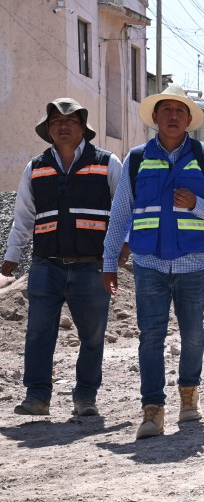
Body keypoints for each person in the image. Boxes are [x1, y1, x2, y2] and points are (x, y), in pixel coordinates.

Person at [103, 84, 204, 440]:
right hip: (149, 263)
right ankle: (152, 409)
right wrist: (109, 260)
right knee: (151, 337)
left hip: (193, 262)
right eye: (166, 110)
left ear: (189, 119)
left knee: (193, 335)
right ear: (156, 117)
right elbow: (120, 214)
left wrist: (196, 205)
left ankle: (189, 397)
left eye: (180, 111)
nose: (173, 116)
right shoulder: (137, 158)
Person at [3, 98, 121, 417]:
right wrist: (11, 258)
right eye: (56, 121)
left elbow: (125, 208)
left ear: (83, 128)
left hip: (92, 267)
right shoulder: (36, 167)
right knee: (39, 332)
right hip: (46, 266)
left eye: (70, 120)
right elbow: (24, 217)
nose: (63, 126)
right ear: (49, 130)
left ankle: (85, 397)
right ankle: (37, 397)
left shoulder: (108, 163)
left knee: (93, 335)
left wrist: (123, 248)